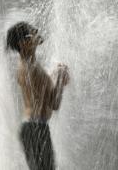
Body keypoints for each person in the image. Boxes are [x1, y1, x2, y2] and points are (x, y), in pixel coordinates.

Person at [6, 22, 70, 170]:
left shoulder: (29, 66)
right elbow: (54, 103)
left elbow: (41, 92)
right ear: (23, 44)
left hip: (33, 128)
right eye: (32, 33)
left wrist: (55, 76)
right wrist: (59, 79)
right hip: (36, 128)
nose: (36, 33)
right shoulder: (31, 69)